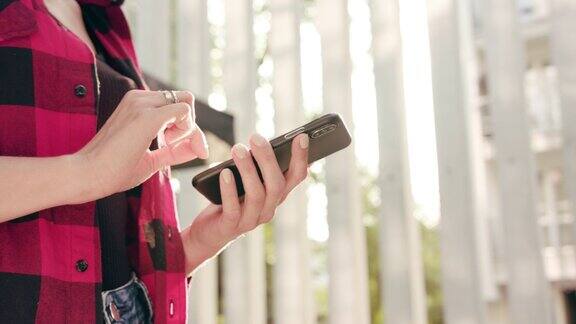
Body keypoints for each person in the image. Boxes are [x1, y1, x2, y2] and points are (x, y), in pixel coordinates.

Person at [0, 0, 310, 323]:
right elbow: (95, 173)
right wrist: (87, 170)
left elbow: (103, 247)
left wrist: (198, 242)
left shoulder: (106, 22)